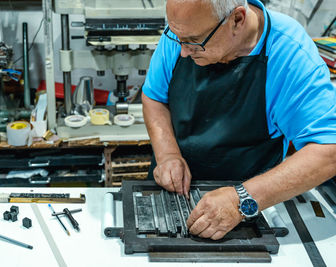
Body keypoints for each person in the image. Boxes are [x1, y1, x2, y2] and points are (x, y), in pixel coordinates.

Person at [142, 0, 336, 240]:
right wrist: (167, 154)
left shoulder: (289, 53)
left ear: (237, 20)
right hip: (173, 196)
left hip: (247, 214)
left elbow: (328, 149)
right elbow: (154, 97)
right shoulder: (185, 31)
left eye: (194, 41)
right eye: (176, 37)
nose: (182, 50)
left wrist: (243, 199)